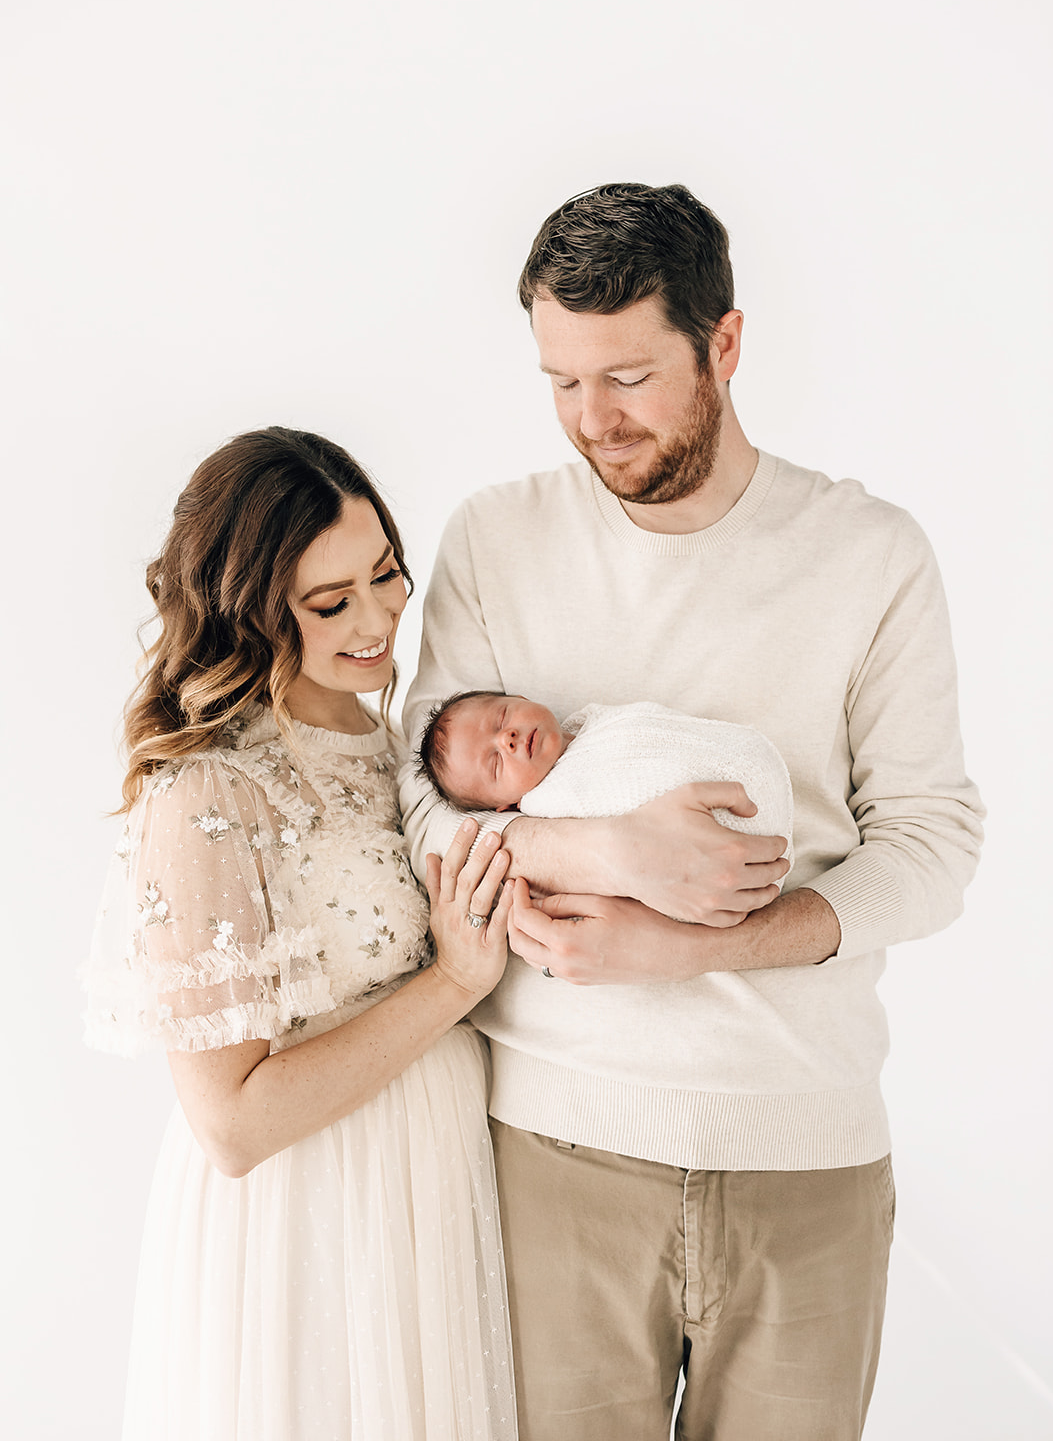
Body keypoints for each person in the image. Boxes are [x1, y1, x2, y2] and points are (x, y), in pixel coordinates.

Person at [399, 183, 985, 1441]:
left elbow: (930, 846)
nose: (589, 422)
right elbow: (412, 805)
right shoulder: (494, 540)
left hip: (805, 1152)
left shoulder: (868, 554)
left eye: (625, 377)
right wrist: (598, 847)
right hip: (551, 1146)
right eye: (558, 381)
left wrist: (698, 945)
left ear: (722, 344)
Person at [83, 427, 519, 1441]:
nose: (376, 620)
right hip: (312, 1220)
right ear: (249, 609)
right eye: (330, 604)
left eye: (385, 574)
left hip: (434, 1190)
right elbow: (230, 1125)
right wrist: (452, 984)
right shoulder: (210, 790)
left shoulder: (407, 739)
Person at [416, 695, 793, 897]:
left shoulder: (594, 722)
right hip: (699, 853)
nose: (507, 738)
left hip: (741, 781)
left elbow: (654, 729)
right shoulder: (549, 806)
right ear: (506, 807)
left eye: (502, 717)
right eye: (495, 763)